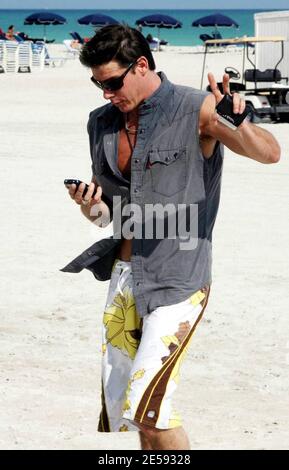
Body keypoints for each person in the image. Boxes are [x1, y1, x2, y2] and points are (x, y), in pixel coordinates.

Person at [62, 25, 280, 450]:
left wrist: (240, 124)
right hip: (125, 280)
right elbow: (106, 214)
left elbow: (269, 154)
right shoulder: (101, 124)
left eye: (111, 83)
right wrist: (88, 204)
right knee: (136, 412)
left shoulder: (195, 109)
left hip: (179, 280)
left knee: (150, 407)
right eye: (97, 84)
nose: (106, 94)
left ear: (141, 65)